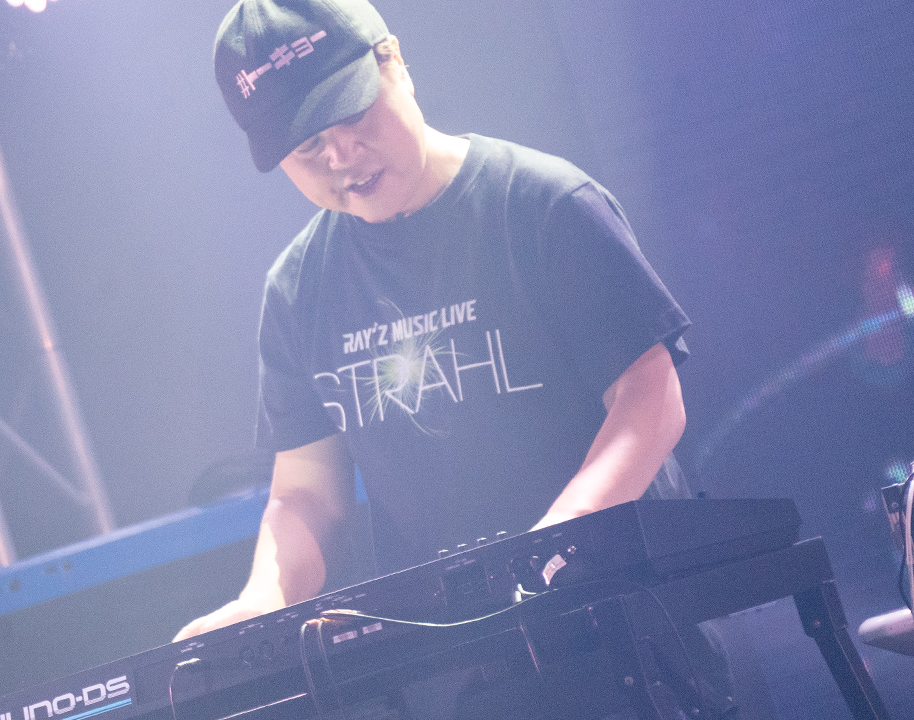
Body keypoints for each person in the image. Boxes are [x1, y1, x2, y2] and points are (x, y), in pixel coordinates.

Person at [178, 0, 732, 714]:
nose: (340, 157)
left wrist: (552, 546)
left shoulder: (544, 204)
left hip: (629, 635)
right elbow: (307, 493)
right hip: (461, 675)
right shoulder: (296, 290)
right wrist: (264, 600)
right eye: (308, 146)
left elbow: (650, 399)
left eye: (350, 116)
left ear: (394, 62)